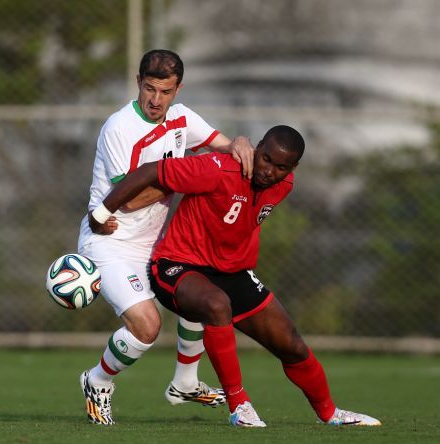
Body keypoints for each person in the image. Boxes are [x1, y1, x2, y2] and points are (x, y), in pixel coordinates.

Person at [90, 125, 381, 427]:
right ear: (257, 148)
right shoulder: (219, 168)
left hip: (232, 272)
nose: (269, 170)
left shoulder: (284, 184)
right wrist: (101, 213)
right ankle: (239, 406)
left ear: (292, 168)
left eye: (281, 167)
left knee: (291, 345)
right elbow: (151, 171)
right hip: (177, 265)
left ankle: (331, 414)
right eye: (266, 159)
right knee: (216, 304)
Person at [78, 49, 255, 426]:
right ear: (138, 83)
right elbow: (128, 199)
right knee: (147, 327)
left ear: (178, 89)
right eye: (149, 88)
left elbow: (225, 148)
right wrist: (187, 178)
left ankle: (185, 383)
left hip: (156, 247)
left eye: (165, 91)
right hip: (111, 242)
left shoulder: (182, 117)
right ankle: (98, 380)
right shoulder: (120, 127)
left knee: (200, 297)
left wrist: (240, 142)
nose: (156, 100)